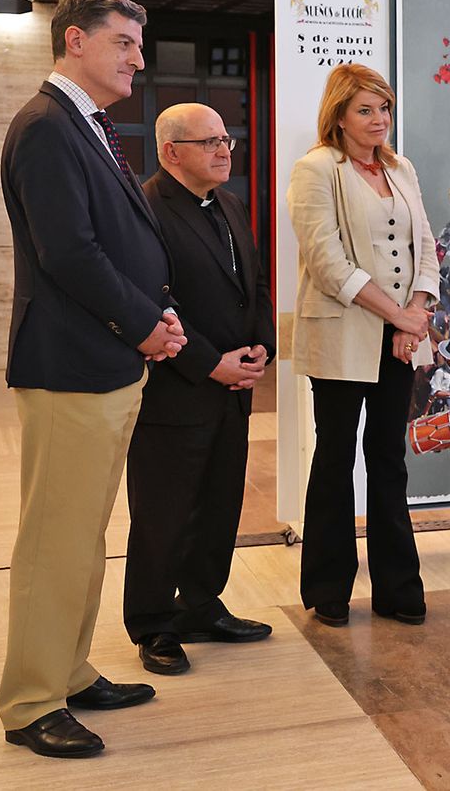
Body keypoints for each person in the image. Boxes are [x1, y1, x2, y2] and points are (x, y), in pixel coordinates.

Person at [0, 0, 186, 758]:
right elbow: (69, 251)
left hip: (106, 360)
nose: (138, 60)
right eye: (123, 44)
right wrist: (142, 322)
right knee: (54, 539)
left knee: (83, 536)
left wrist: (158, 310)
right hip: (70, 363)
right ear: (75, 40)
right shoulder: (46, 127)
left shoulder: (87, 126)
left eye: (139, 46)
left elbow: (119, 237)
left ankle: (69, 670)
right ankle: (30, 701)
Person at [125, 103, 276, 677]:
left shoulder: (230, 203)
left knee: (219, 504)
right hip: (177, 387)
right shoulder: (146, 207)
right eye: (209, 141)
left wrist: (261, 344)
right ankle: (154, 623)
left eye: (227, 139)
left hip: (235, 385)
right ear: (171, 152)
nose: (224, 150)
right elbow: (151, 303)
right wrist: (212, 363)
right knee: (164, 511)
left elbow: (254, 282)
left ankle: (201, 605)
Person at [288, 63, 440, 627]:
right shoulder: (316, 169)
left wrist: (414, 316)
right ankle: (328, 586)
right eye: (365, 110)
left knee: (388, 460)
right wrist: (399, 313)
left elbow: (425, 242)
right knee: (334, 459)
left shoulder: (402, 168)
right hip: (342, 335)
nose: (378, 121)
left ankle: (397, 586)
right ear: (340, 115)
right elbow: (328, 264)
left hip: (399, 338)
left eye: (384, 109)